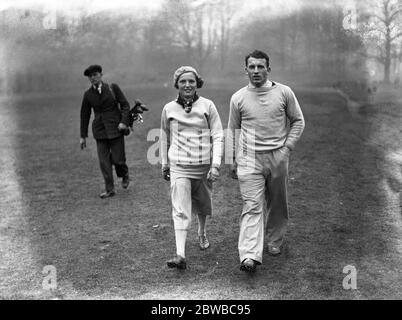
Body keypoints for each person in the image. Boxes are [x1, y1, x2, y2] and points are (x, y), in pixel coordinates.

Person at [227, 50, 305, 272]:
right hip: (249, 159)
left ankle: (274, 240)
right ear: (246, 70)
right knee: (252, 206)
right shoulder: (238, 97)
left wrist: (287, 148)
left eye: (260, 67)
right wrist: (232, 159)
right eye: (251, 67)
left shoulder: (284, 92)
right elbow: (233, 130)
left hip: (278, 157)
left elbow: (298, 121)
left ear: (268, 69)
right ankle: (249, 255)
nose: (256, 71)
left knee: (277, 202)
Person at [160, 66, 224, 269]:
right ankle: (180, 254)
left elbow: (218, 135)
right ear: (177, 84)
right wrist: (164, 163)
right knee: (180, 209)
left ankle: (202, 232)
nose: (187, 85)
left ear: (197, 83)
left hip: (203, 166)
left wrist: (215, 165)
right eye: (183, 81)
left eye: (191, 81)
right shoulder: (168, 108)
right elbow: (163, 136)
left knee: (203, 203)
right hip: (179, 165)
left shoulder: (208, 106)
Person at [80, 64, 131, 198]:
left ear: (101, 75)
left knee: (118, 160)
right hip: (100, 131)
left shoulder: (113, 88)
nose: (93, 78)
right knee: (104, 162)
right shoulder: (88, 95)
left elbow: (125, 105)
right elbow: (84, 115)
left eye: (95, 75)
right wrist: (83, 136)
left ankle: (124, 174)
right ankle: (110, 189)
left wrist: (123, 122)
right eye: (90, 76)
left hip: (116, 128)